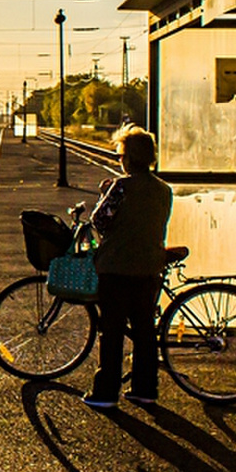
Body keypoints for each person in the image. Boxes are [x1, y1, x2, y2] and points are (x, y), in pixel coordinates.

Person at [82, 125, 173, 409]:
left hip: (116, 268)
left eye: (121, 154)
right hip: (149, 268)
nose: (120, 159)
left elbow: (99, 221)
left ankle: (106, 392)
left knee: (112, 331)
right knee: (145, 331)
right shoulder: (164, 190)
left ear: (129, 158)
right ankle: (145, 388)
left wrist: (105, 193)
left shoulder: (121, 187)